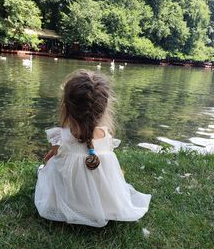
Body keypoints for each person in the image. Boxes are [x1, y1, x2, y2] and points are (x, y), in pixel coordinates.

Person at [34, 70, 151, 227]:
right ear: (104, 107)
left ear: (66, 107)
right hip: (105, 205)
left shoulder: (60, 138)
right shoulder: (106, 136)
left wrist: (52, 158)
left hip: (68, 201)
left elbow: (54, 164)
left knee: (49, 165)